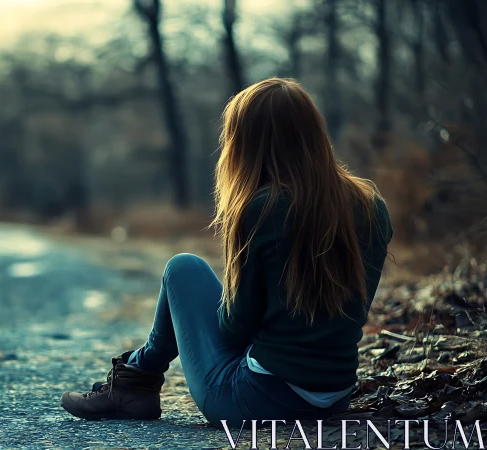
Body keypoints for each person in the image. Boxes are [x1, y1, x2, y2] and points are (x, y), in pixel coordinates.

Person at [59, 78, 393, 426]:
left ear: (246, 143)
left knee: (182, 269)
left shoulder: (262, 208)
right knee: (191, 275)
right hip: (335, 398)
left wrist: (220, 302)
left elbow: (235, 329)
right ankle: (136, 379)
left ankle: (134, 381)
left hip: (258, 402)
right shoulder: (372, 207)